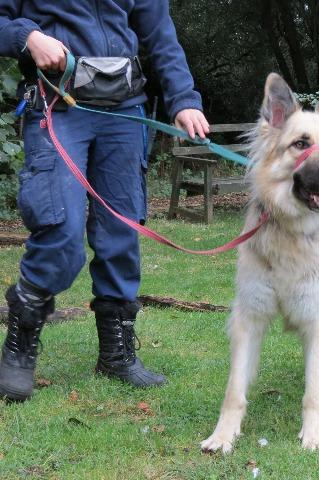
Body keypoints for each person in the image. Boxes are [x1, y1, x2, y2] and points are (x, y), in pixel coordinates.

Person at [0, 1, 210, 401]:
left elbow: (160, 34)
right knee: (59, 229)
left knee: (121, 230)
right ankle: (19, 346)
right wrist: (26, 36)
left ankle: (117, 355)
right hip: (57, 104)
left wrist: (183, 99)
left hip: (124, 112)